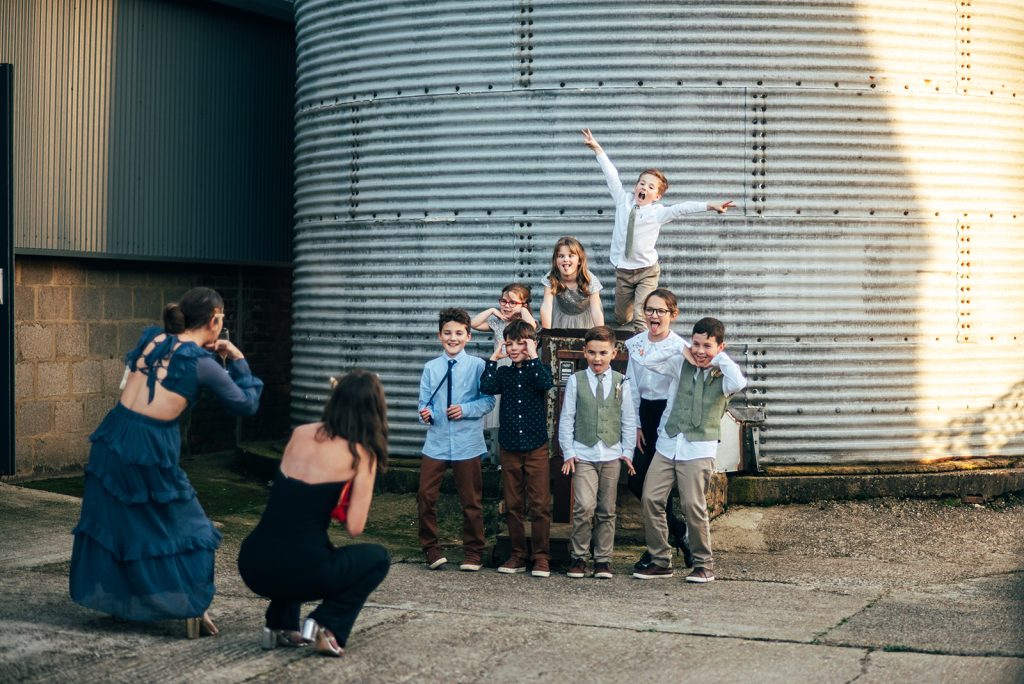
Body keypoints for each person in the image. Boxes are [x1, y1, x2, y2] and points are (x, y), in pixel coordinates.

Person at [69, 287, 262, 638]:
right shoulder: (203, 364)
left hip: (112, 438)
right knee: (193, 530)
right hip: (147, 448)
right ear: (215, 319)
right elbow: (246, 404)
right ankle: (190, 606)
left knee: (122, 523)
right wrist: (237, 358)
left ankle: (126, 603)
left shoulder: (153, 339)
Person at [238, 371, 390, 658]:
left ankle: (280, 625)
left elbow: (290, 503)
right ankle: (327, 623)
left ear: (335, 399)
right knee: (377, 558)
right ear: (374, 409)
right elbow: (355, 527)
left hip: (253, 562)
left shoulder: (300, 433)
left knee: (295, 544)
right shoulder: (362, 453)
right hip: (302, 571)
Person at [581, 128, 734, 331]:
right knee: (621, 317)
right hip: (623, 270)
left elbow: (682, 208)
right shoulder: (622, 200)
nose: (644, 188)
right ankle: (628, 312)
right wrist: (597, 149)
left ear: (657, 196)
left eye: (651, 187)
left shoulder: (658, 213)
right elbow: (612, 176)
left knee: (640, 317)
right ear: (636, 186)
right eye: (642, 183)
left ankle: (642, 346)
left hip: (646, 271)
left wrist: (709, 205)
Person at [633, 317, 746, 582]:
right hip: (668, 443)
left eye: (707, 345)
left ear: (720, 347)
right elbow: (649, 361)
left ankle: (704, 564)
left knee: (693, 505)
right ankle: (661, 560)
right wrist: (681, 349)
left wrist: (716, 359)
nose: (700, 351)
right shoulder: (680, 362)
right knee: (650, 498)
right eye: (696, 344)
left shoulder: (723, 375)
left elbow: (739, 382)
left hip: (698, 448)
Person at [417, 308, 496, 571]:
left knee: (471, 500)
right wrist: (426, 414)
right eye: (448, 333)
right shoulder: (431, 368)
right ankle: (431, 548)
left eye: (459, 333)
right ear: (439, 335)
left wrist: (465, 409)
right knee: (425, 496)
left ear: (468, 336)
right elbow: (423, 404)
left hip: (467, 443)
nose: (453, 338)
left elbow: (488, 401)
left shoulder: (478, 366)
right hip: (436, 443)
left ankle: (473, 552)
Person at [558, 325, 635, 579]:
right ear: (584, 352)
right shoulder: (576, 380)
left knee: (607, 510)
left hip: (611, 455)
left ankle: (603, 559)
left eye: (603, 353)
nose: (597, 358)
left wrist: (628, 452)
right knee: (584, 507)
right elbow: (567, 418)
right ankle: (579, 556)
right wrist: (568, 451)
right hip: (583, 455)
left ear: (614, 353)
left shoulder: (622, 381)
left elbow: (628, 419)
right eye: (592, 352)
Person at [479, 319, 554, 577]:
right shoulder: (504, 373)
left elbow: (545, 384)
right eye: (509, 344)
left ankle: (541, 556)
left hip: (536, 446)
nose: (513, 348)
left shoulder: (539, 369)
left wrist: (532, 356)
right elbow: (486, 386)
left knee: (539, 504)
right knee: (513, 504)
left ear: (532, 344)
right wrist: (493, 358)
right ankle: (518, 554)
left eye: (520, 343)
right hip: (510, 446)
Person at [624, 289, 693, 570]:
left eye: (660, 311)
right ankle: (679, 531)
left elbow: (679, 391)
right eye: (649, 310)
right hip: (644, 414)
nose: (654, 315)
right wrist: (636, 424)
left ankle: (658, 549)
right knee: (636, 481)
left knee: (659, 487)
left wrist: (667, 428)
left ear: (672, 315)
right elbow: (631, 384)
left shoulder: (680, 348)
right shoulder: (635, 344)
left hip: (668, 415)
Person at [471, 283, 537, 446]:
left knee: (517, 408)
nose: (507, 306)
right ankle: (499, 452)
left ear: (524, 304)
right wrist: (492, 311)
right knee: (501, 410)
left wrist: (522, 310)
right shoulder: (498, 323)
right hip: (501, 369)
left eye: (512, 302)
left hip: (519, 370)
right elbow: (473, 324)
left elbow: (532, 327)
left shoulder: (524, 324)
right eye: (504, 301)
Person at [539, 236, 605, 329]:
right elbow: (547, 306)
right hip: (562, 316)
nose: (566, 259)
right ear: (555, 260)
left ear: (579, 261)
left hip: (585, 318)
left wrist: (600, 333)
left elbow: (596, 310)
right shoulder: (552, 277)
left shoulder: (589, 279)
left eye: (570, 256)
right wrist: (547, 332)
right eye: (561, 256)